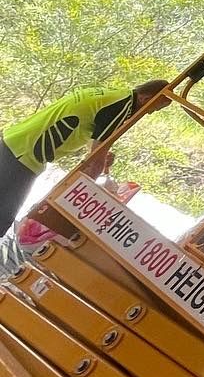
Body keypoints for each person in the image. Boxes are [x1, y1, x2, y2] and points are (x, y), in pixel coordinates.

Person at [0, 80, 171, 264]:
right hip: (25, 154)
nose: (148, 113)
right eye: (153, 109)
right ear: (146, 99)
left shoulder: (113, 94)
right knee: (3, 216)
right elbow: (96, 157)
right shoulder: (123, 105)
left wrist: (101, 158)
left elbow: (96, 145)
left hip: (17, 141)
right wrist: (81, 193)